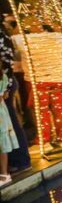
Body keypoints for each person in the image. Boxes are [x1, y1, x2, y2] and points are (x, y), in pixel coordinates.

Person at [0, 29, 28, 172]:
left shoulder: (1, 36)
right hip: (5, 83)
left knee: (9, 124)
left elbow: (6, 63)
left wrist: (5, 87)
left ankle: (20, 160)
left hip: (4, 84)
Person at [0, 61, 18, 188]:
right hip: (2, 111)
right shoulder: (4, 77)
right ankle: (4, 174)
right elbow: (5, 94)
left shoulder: (3, 77)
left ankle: (4, 174)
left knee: (2, 144)